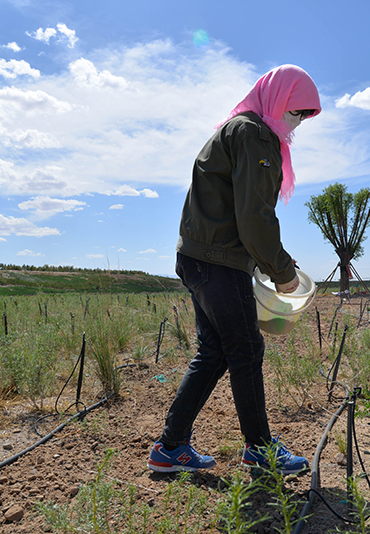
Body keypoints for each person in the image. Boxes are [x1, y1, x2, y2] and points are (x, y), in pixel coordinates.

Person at [147, 65, 321, 475]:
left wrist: (272, 255)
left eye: (306, 116)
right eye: (296, 112)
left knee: (215, 352)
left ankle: (170, 447)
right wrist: (282, 272)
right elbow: (254, 218)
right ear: (277, 100)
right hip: (219, 261)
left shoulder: (235, 129)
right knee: (246, 349)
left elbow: (237, 211)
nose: (297, 123)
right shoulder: (254, 134)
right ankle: (259, 448)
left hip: (197, 257)